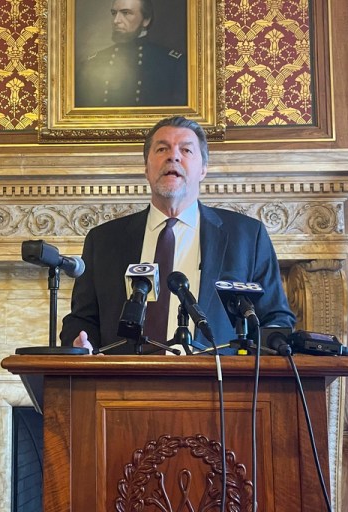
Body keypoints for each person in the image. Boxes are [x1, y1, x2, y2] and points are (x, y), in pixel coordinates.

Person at [60, 116, 296, 353]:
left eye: (186, 150)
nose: (173, 156)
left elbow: (275, 318)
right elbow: (81, 320)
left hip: (219, 383)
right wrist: (80, 343)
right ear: (146, 168)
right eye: (162, 148)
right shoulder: (103, 241)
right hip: (123, 382)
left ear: (203, 169)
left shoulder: (246, 236)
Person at [75, 0, 187, 107]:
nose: (116, 20)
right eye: (114, 13)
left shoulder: (172, 64)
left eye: (126, 13)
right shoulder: (92, 63)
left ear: (146, 20)